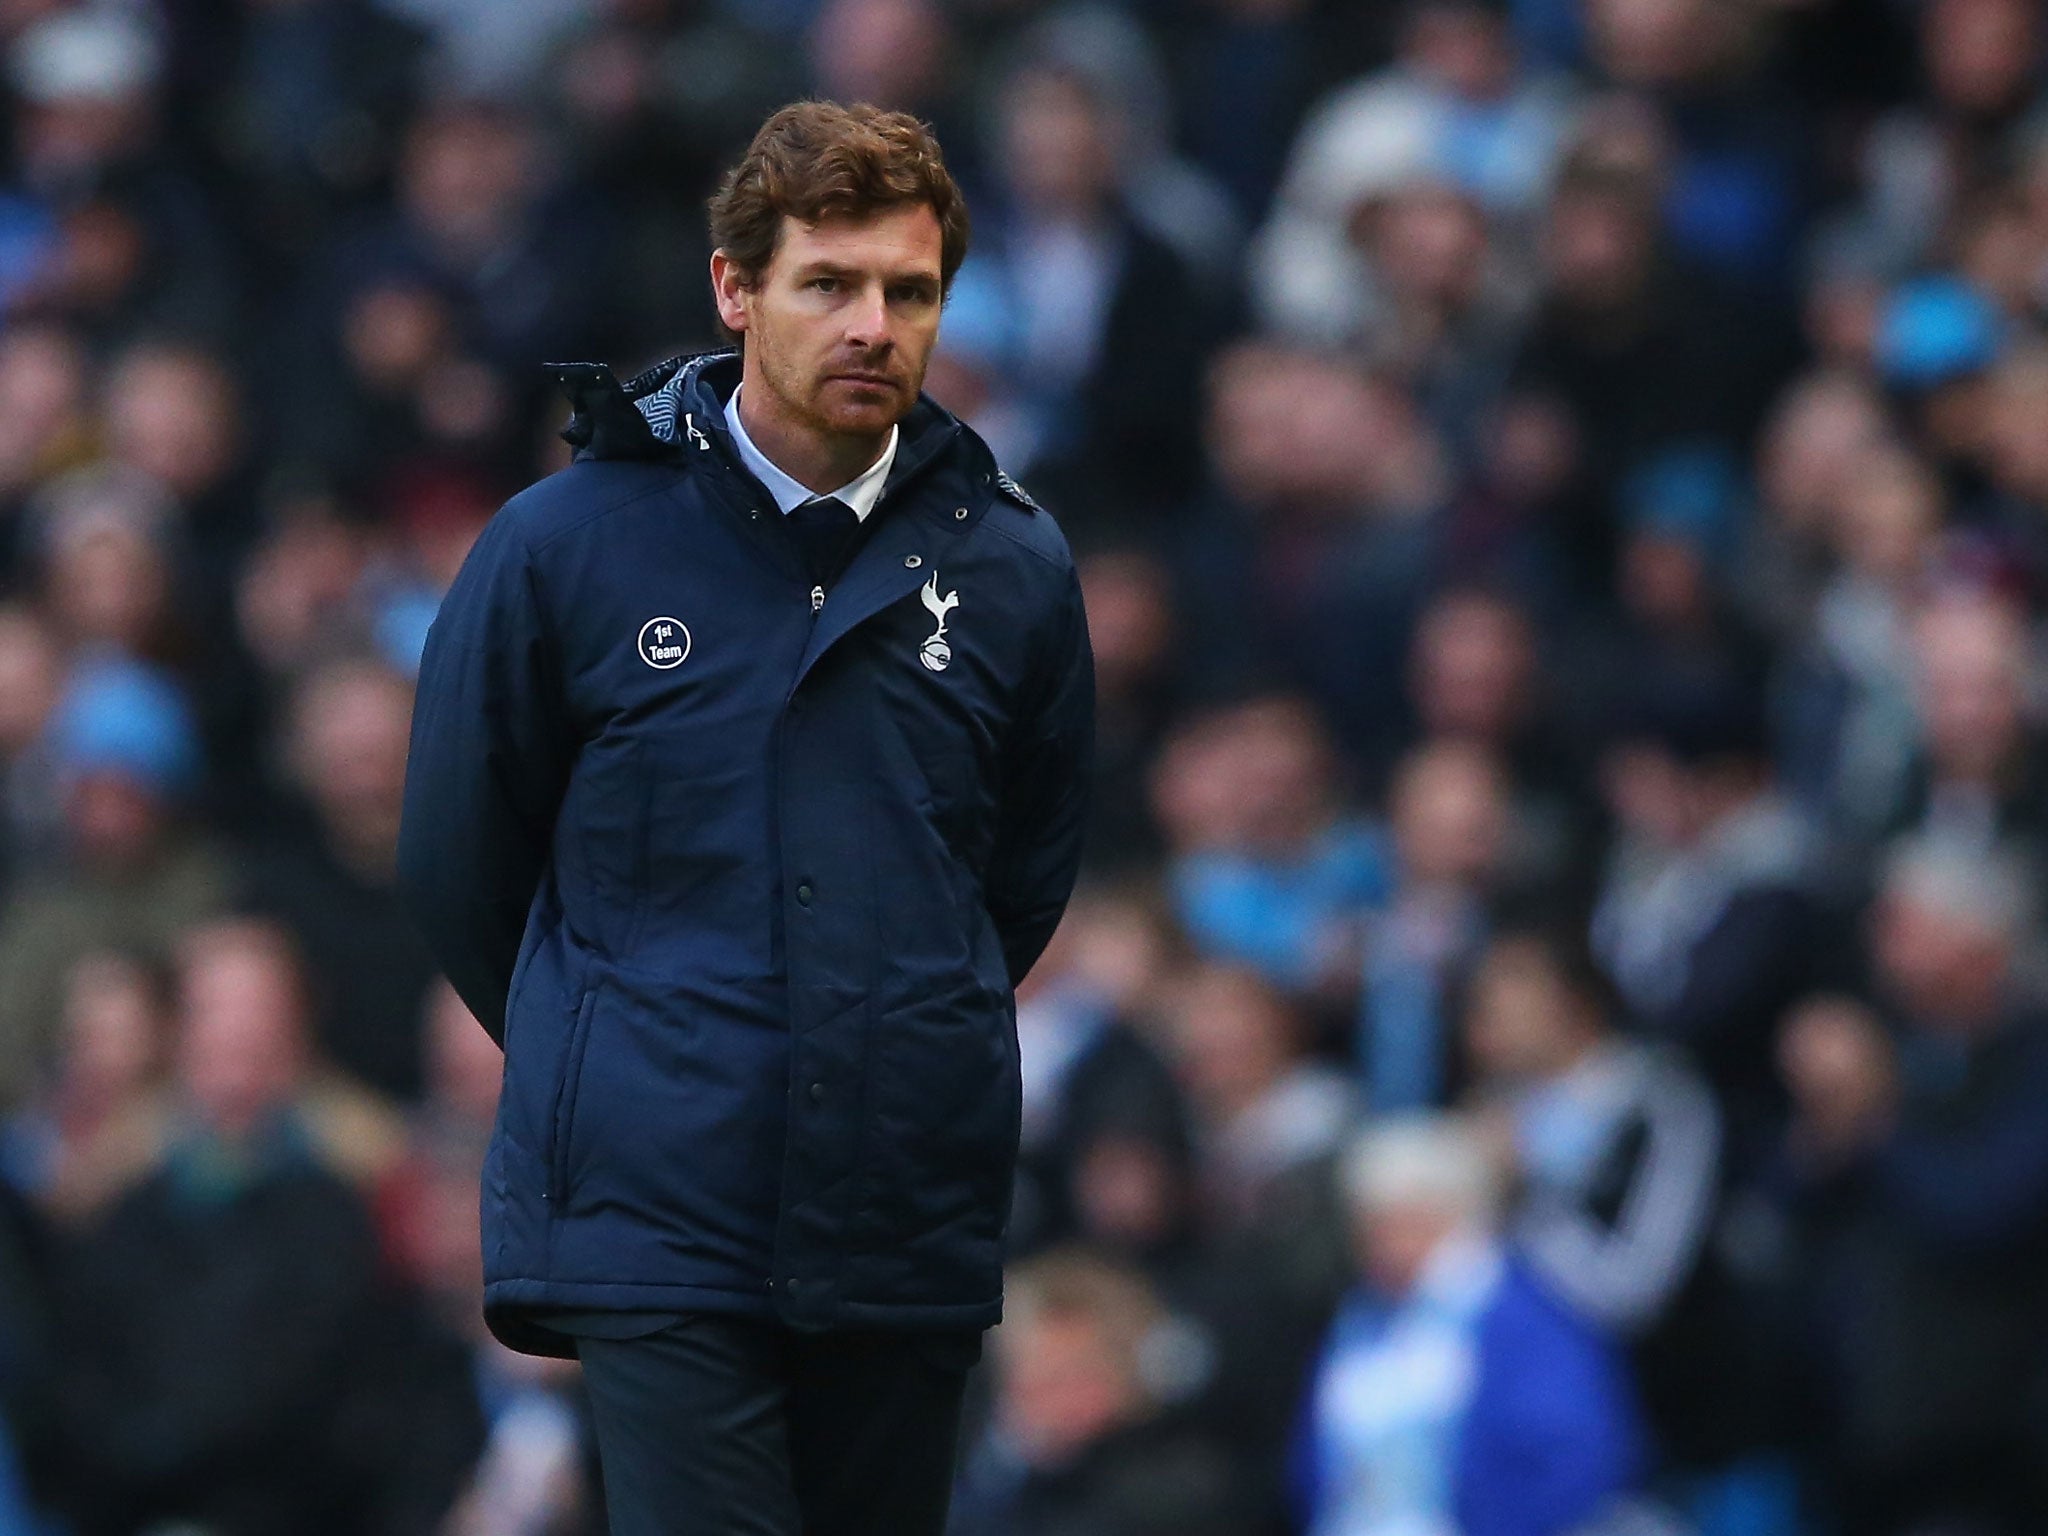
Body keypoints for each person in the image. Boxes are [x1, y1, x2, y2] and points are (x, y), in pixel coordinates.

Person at [398, 101, 1095, 1536]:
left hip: (903, 1207)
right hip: (658, 1211)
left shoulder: (1017, 564)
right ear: (736, 291)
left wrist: (906, 1023)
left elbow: (1018, 882)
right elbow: (463, 867)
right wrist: (626, 1043)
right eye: (828, 284)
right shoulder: (563, 546)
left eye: (910, 292)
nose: (873, 326)